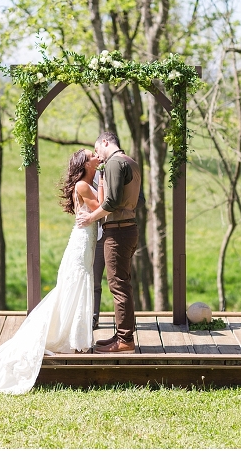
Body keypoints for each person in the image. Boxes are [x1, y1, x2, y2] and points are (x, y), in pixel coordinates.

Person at [0, 149, 102, 394]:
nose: (96, 156)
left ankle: (75, 336)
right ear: (85, 163)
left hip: (86, 239)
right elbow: (101, 207)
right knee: (77, 283)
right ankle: (73, 338)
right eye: (92, 154)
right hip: (82, 241)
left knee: (78, 284)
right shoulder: (84, 185)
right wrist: (103, 181)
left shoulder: (88, 182)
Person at [77, 132, 141, 354]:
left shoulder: (114, 162)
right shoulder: (131, 162)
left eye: (97, 149)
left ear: (105, 142)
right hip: (129, 228)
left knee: (118, 286)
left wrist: (90, 218)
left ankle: (125, 340)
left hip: (118, 231)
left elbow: (111, 202)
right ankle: (123, 333)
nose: (97, 154)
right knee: (123, 284)